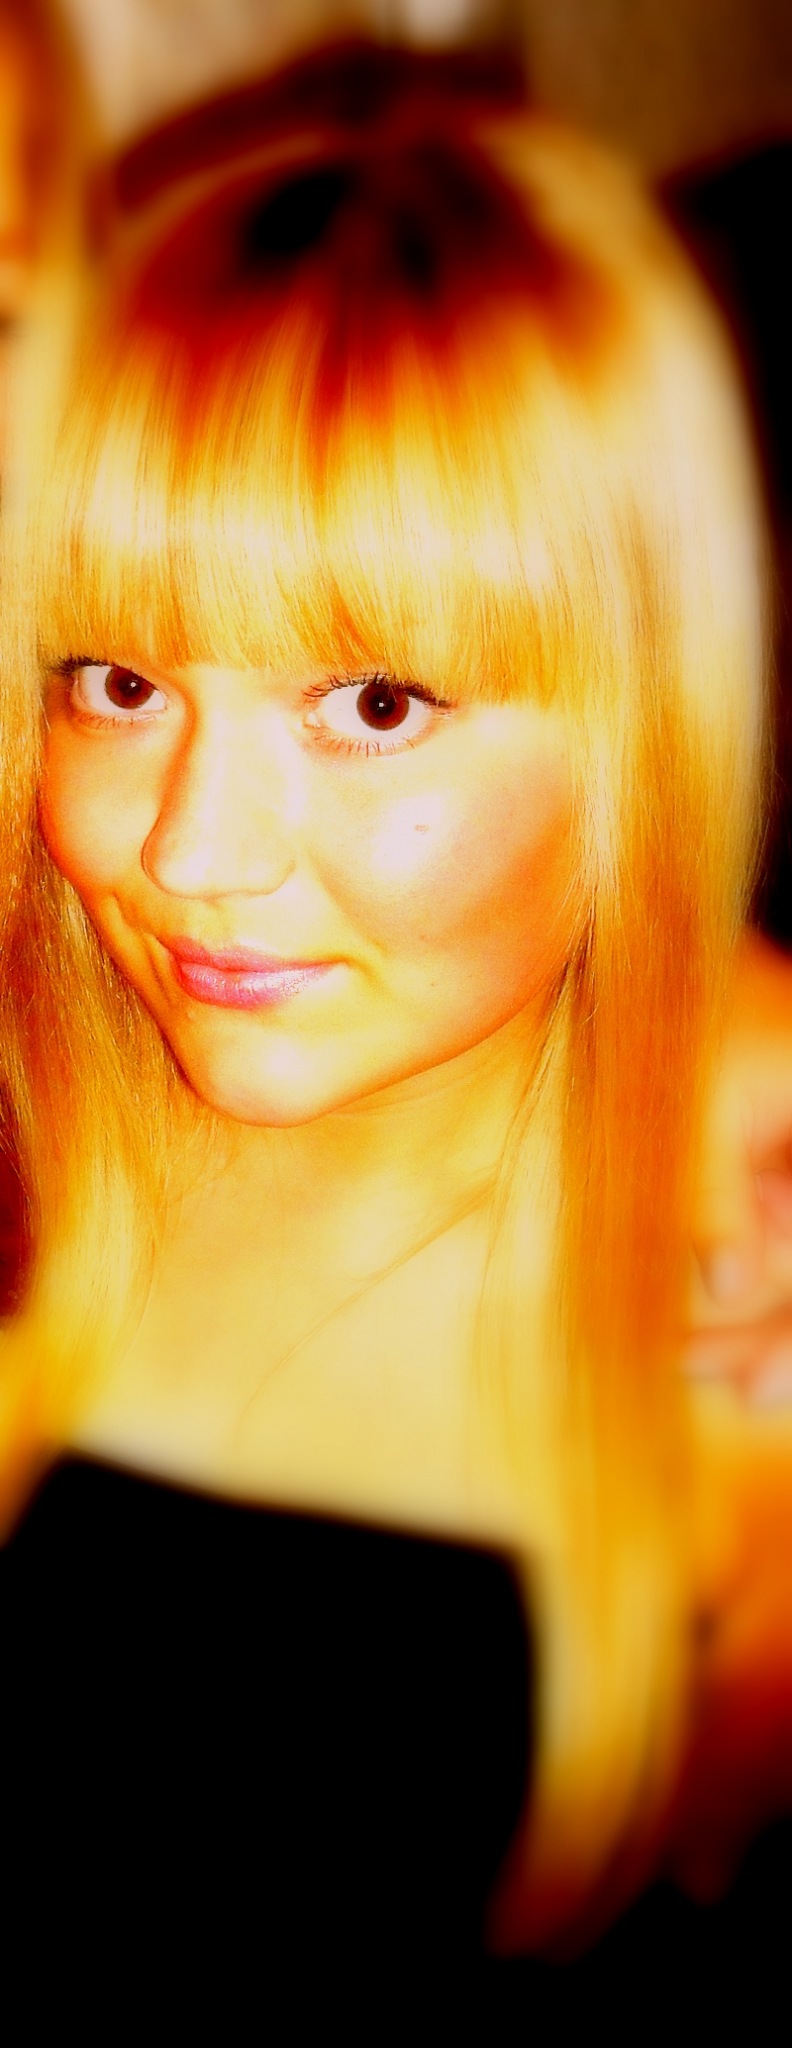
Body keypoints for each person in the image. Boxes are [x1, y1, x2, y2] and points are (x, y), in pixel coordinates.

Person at [0, 39, 772, 1973]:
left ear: (642, 727)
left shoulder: (742, 1301)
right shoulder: (37, 1113)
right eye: (116, 682)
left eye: (373, 703)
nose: (192, 852)